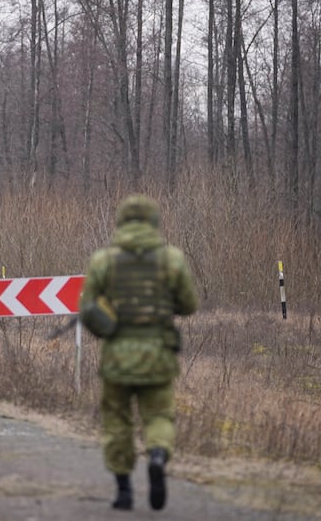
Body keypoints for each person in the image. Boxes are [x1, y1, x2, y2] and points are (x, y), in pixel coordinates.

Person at [78, 194, 198, 511]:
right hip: (158, 354)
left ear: (121, 222)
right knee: (158, 415)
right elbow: (189, 305)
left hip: (117, 355)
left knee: (117, 420)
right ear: (154, 222)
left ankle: (124, 491)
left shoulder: (103, 260)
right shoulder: (171, 259)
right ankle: (157, 455)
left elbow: (86, 307)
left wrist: (104, 327)